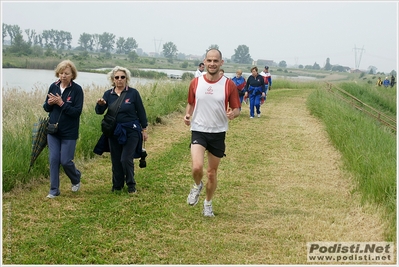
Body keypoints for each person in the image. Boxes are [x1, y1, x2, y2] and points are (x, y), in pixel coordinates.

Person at [184, 49, 241, 217]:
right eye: (209, 60)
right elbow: (190, 103)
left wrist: (233, 114)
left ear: (221, 63)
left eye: (216, 61)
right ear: (205, 61)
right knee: (197, 167)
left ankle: (207, 203)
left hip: (218, 132)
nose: (212, 63)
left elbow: (237, 108)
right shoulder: (196, 82)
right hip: (198, 130)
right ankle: (197, 186)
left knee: (211, 173)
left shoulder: (228, 84)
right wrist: (187, 115)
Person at [95, 66, 148, 194]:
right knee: (116, 160)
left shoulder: (133, 93)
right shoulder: (108, 94)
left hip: (131, 130)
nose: (119, 80)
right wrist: (100, 104)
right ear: (113, 79)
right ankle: (117, 185)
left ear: (126, 79)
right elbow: (99, 112)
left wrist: (144, 129)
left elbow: (141, 111)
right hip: (114, 132)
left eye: (122, 77)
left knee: (126, 158)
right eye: (117, 77)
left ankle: (131, 185)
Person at [43, 60, 84, 199]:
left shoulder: (77, 90)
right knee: (54, 160)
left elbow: (76, 112)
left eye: (66, 73)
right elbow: (46, 108)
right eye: (61, 73)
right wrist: (49, 104)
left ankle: (76, 177)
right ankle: (54, 190)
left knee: (65, 161)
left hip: (69, 132)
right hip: (53, 131)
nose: (63, 76)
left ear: (72, 74)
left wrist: (61, 103)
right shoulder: (53, 87)